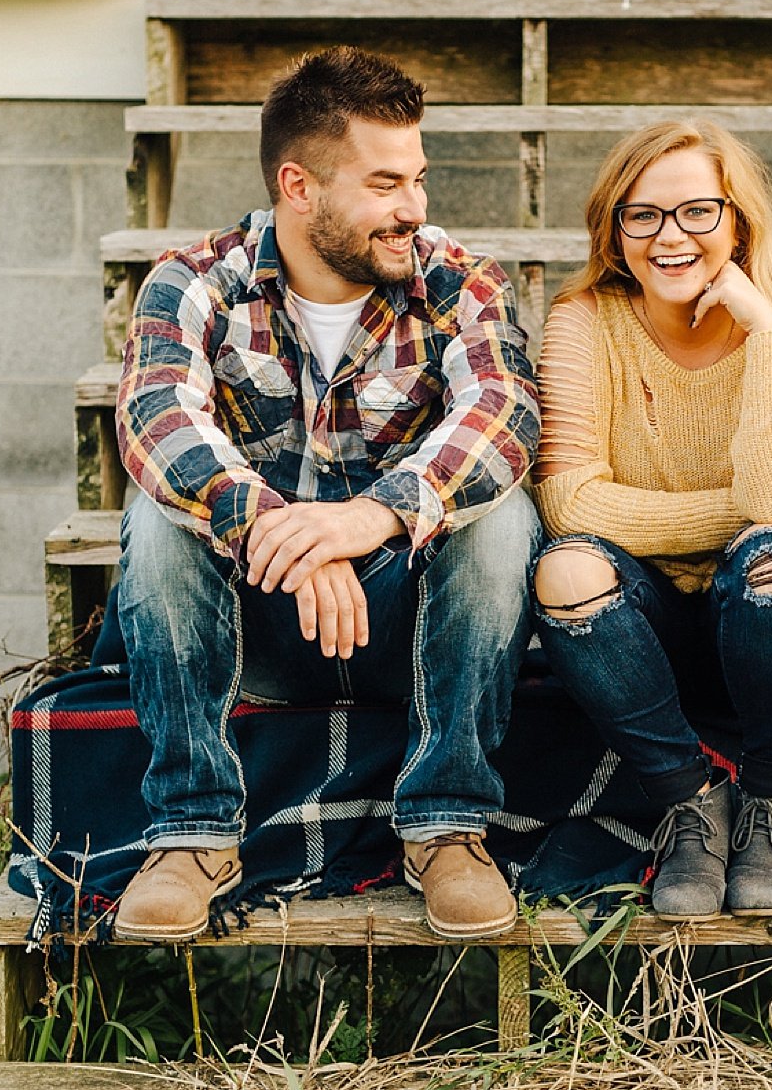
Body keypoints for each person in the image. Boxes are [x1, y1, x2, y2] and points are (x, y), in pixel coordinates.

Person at [111, 47, 541, 941]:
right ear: (298, 186)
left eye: (417, 179)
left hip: (406, 621)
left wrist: (365, 518)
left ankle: (447, 822)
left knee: (505, 521)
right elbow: (156, 421)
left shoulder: (458, 281)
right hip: (255, 621)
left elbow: (505, 417)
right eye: (386, 184)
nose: (414, 208)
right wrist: (286, 534)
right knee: (156, 517)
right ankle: (193, 831)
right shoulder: (194, 281)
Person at [529, 120, 772, 921]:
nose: (669, 236)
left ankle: (771, 797)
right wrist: (744, 512)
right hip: (655, 623)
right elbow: (570, 500)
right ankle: (692, 803)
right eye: (641, 215)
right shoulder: (585, 321)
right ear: (614, 230)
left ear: (740, 220)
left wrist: (765, 335)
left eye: (696, 212)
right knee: (567, 565)